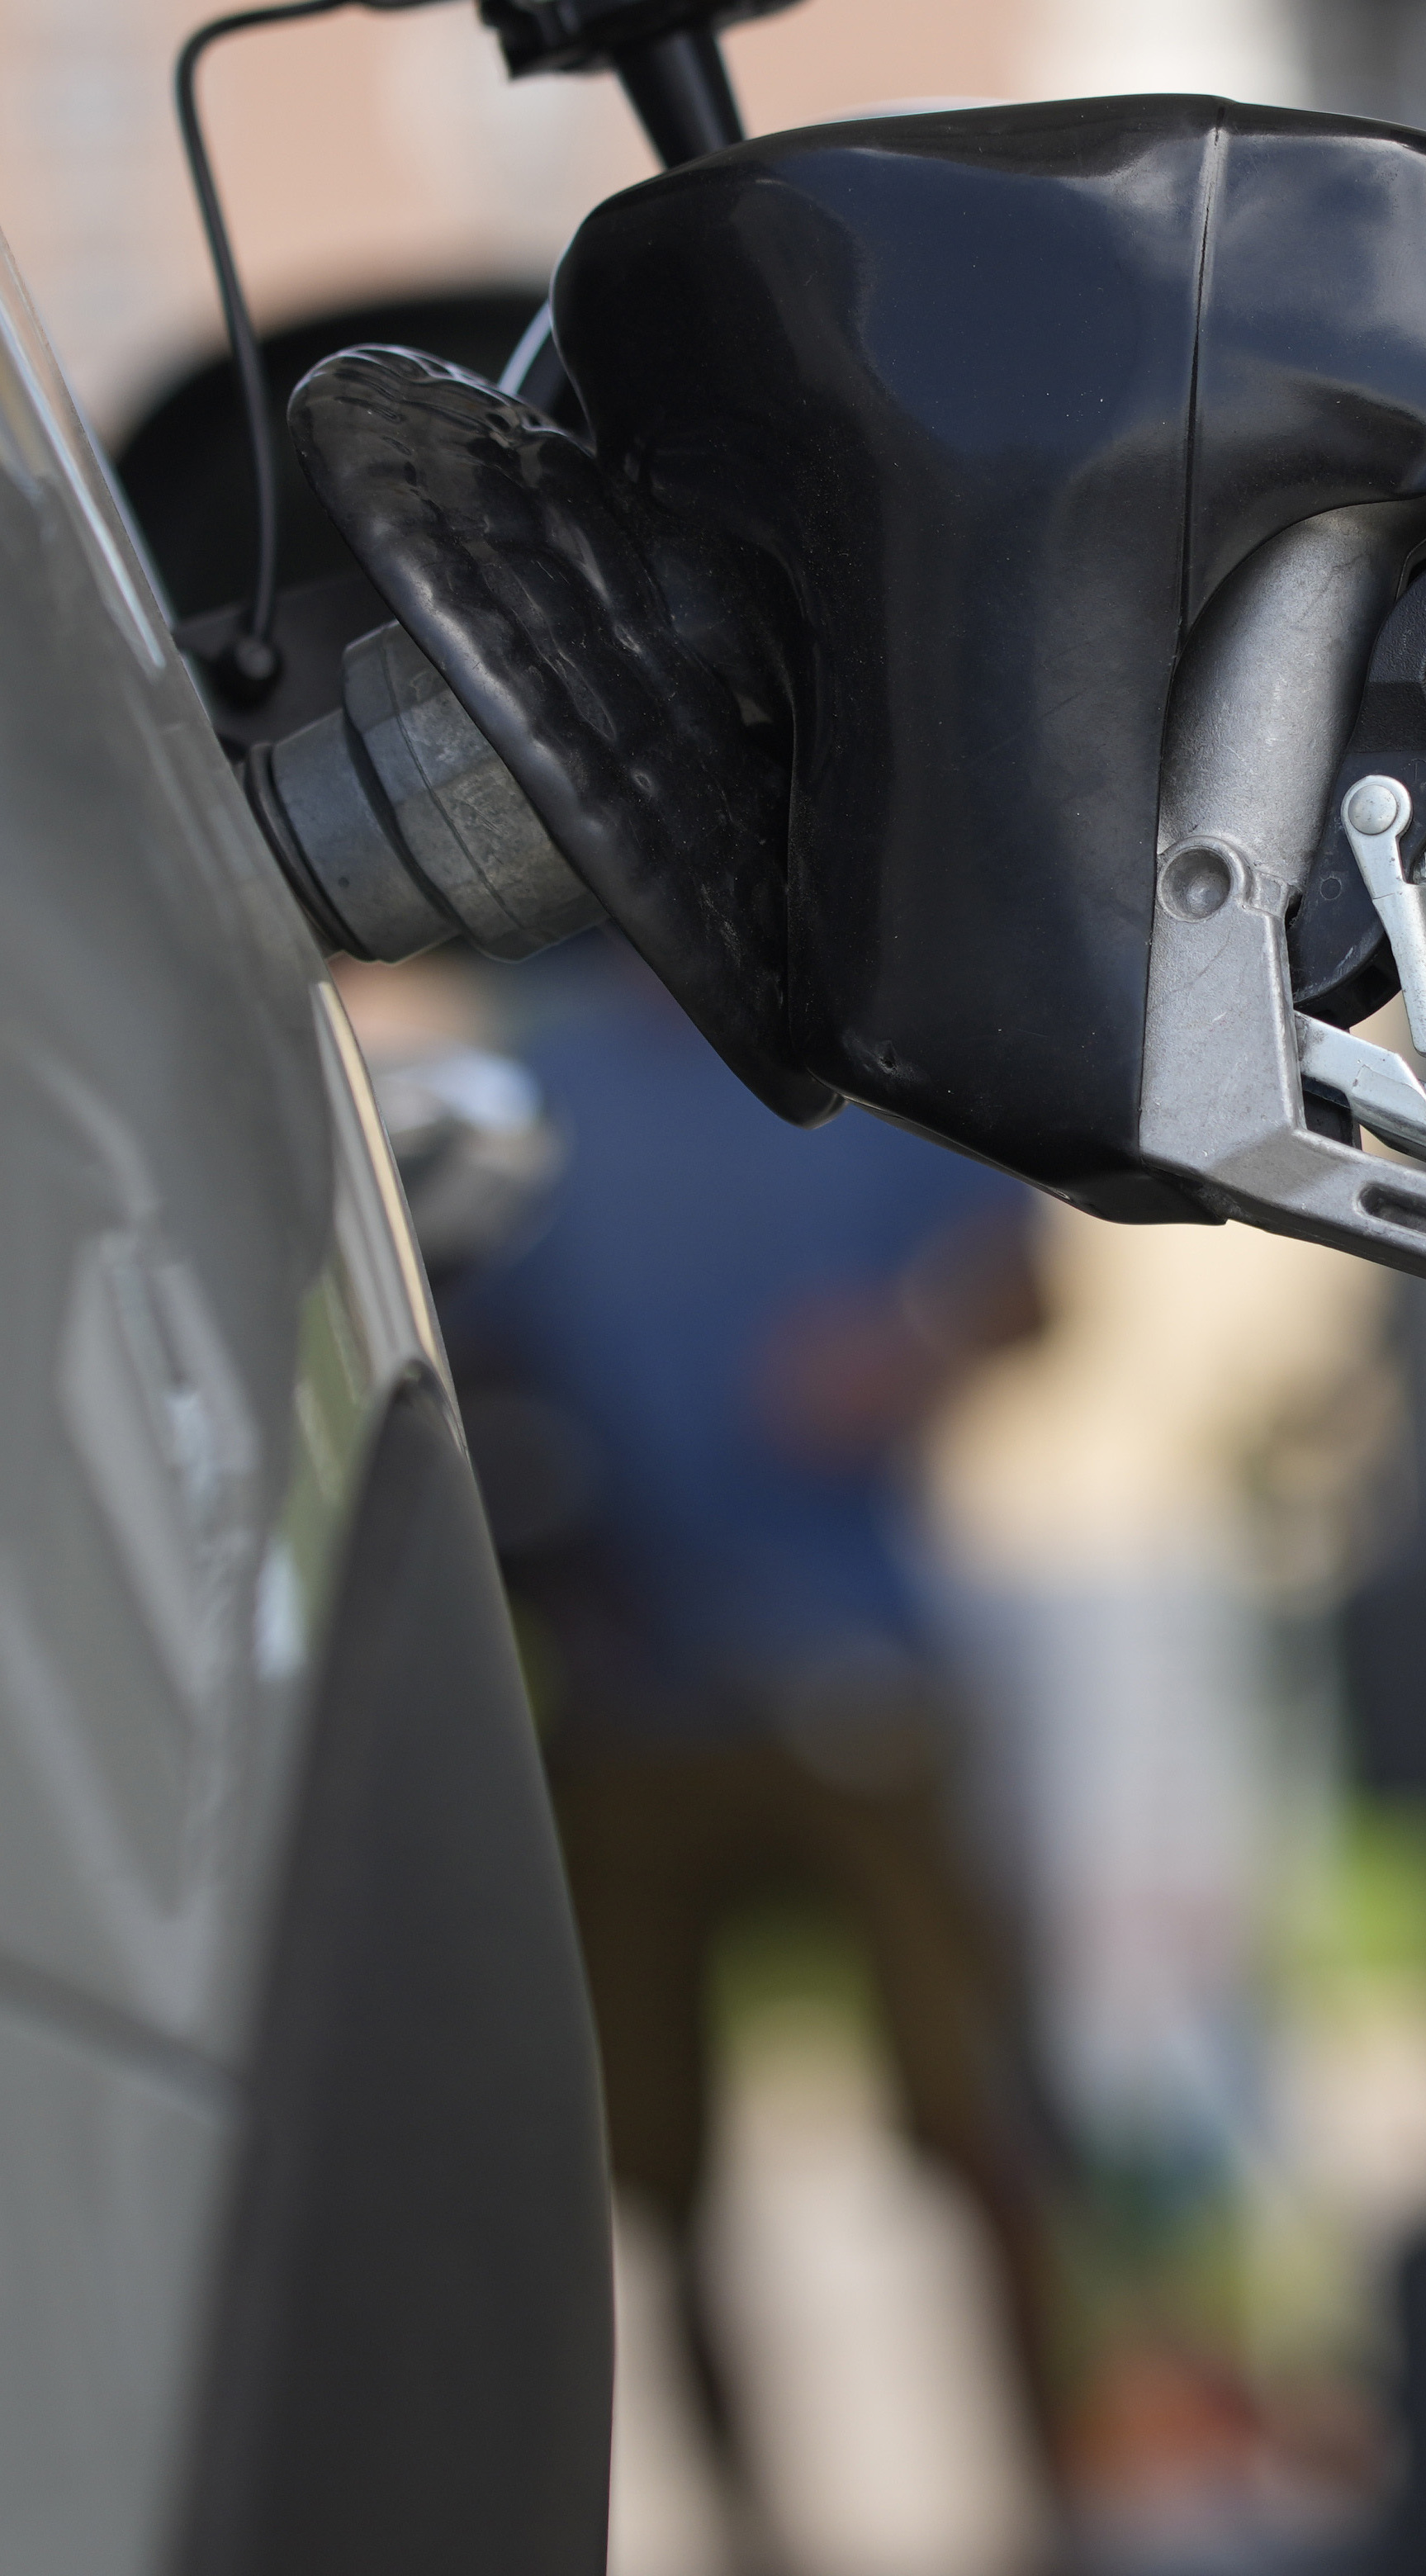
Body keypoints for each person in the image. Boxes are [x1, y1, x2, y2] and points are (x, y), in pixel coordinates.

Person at [444, 937, 1064, 2564]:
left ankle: (1072, 2509)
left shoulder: (863, 1052)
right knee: (661, 2175)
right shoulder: (539, 1077)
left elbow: (1028, 1281)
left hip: (858, 1673)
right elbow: (468, 1332)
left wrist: (903, 1350)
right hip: (632, 1693)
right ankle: (748, 2531)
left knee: (972, 2120)